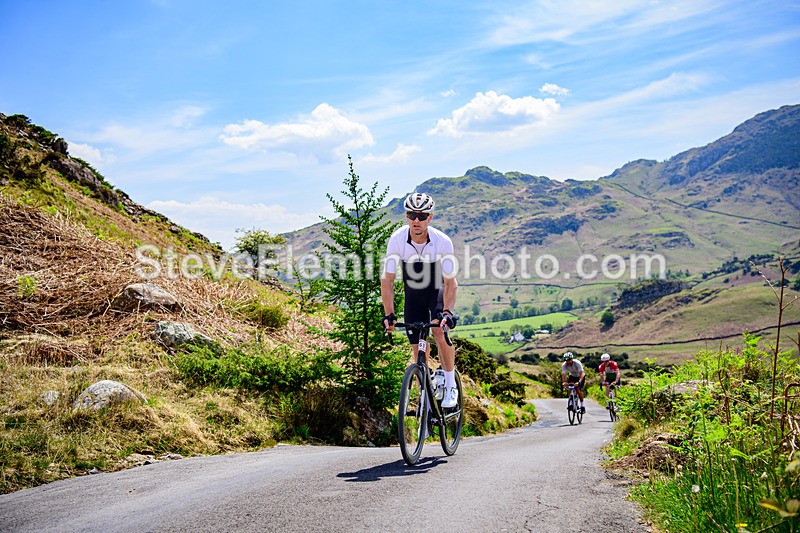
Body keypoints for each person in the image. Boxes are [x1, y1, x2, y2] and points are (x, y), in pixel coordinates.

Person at [381, 192, 459, 408]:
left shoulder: (442, 242)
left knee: (438, 331)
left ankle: (450, 383)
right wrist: (389, 313)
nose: (416, 220)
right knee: (417, 350)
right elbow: (387, 280)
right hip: (413, 296)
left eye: (422, 216)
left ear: (430, 217)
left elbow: (451, 283)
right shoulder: (397, 240)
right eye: (412, 215)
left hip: (436, 292)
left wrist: (448, 312)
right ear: (406, 216)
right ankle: (426, 398)